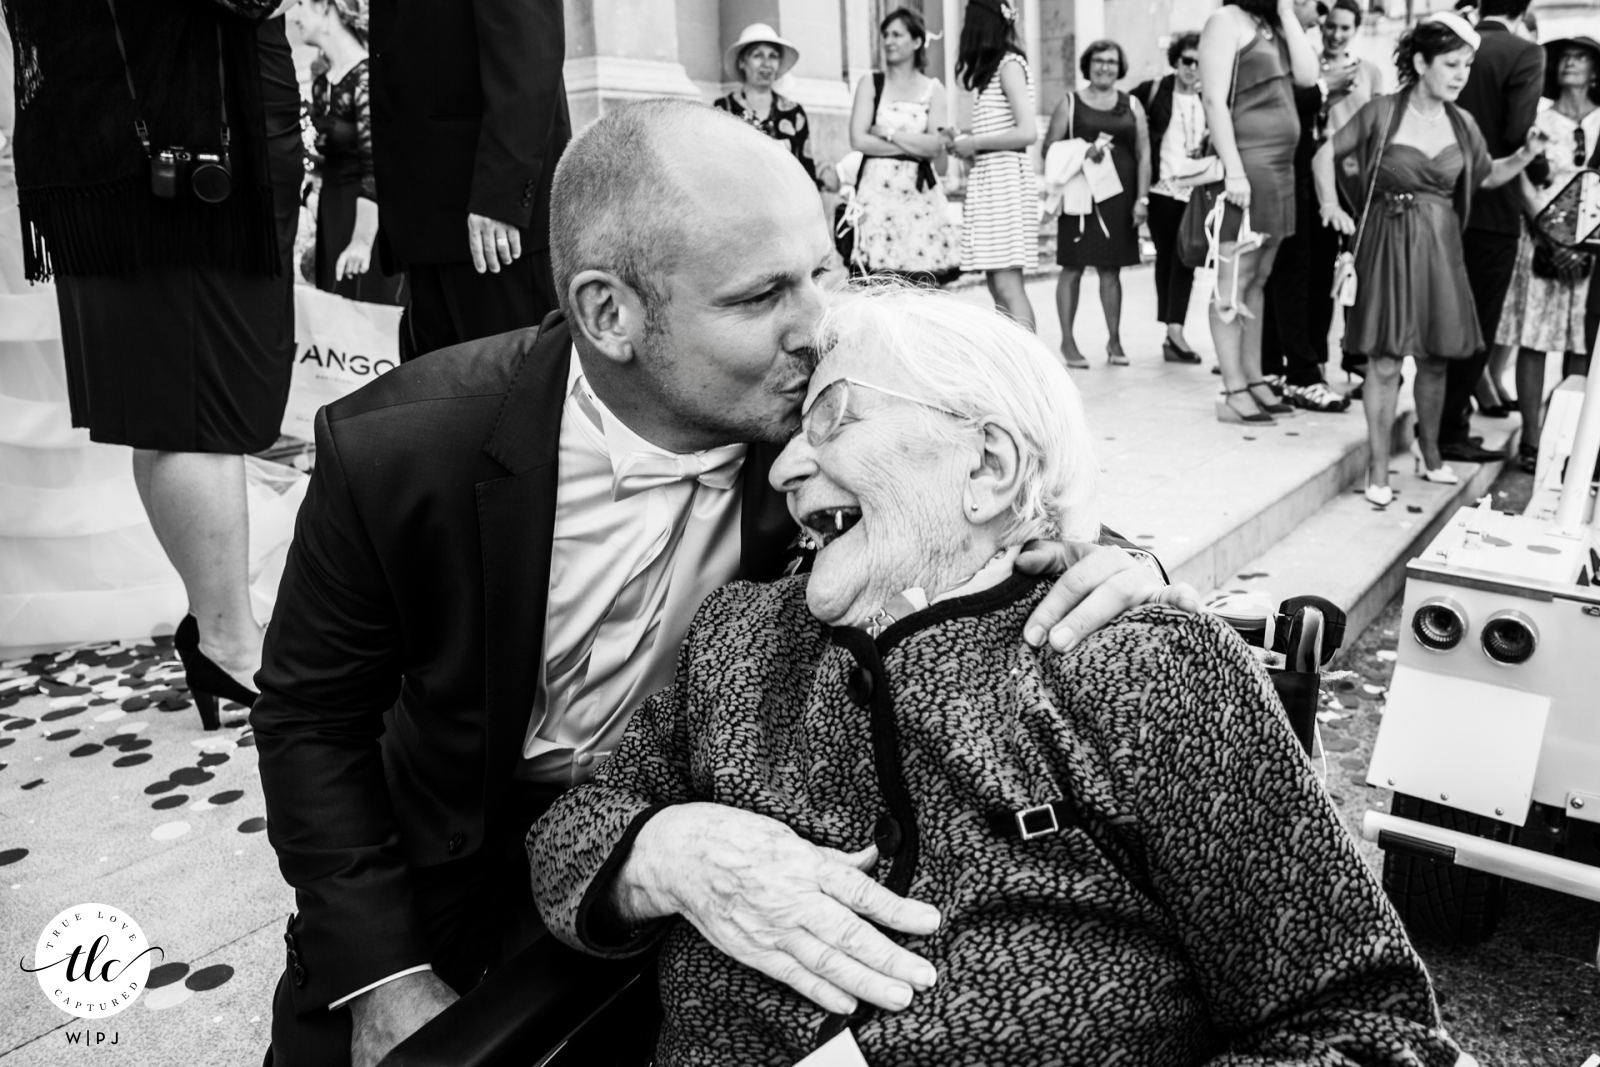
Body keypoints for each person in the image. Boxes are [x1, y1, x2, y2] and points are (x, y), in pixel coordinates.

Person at [253, 100, 1193, 1067]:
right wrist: (383, 976)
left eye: (822, 270)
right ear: (608, 313)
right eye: (760, 297)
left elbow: (987, 485)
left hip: (705, 846)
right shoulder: (398, 449)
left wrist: (1116, 558)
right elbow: (309, 720)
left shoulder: (814, 429)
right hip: (432, 869)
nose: (817, 325)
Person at [527, 284, 1465, 1067]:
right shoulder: (739, 638)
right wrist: (663, 851)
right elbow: (568, 839)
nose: (785, 469)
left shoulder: (1132, 661)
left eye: (833, 418)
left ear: (986, 464)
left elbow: (1362, 1021)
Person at [6, 0, 302, 723]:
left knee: (185, 398)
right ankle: (232, 647)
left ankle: (222, 633)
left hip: (161, 127)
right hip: (165, 142)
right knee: (186, 403)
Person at [1316, 14, 1545, 507]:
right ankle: (1377, 468)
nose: (1462, 74)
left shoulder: (1463, 122)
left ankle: (1430, 452)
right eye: (1452, 64)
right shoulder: (1383, 112)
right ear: (1421, 63)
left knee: (1436, 361)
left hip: (1441, 248)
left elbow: (1486, 175)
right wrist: (1332, 206)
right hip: (1387, 243)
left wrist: (1526, 155)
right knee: (1383, 362)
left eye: (1467, 65)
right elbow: (1323, 156)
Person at [370, 0, 571, 361]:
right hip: (426, 216)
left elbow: (530, 55)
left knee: (516, 394)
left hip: (490, 222)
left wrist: (501, 197)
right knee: (441, 406)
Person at [1198, 0, 1320, 424]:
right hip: (1247, 166)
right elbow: (1213, 99)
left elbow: (1308, 76)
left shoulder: (1272, 23)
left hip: (1281, 167)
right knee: (1234, 281)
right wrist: (1233, 170)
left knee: (1260, 278)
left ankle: (1252, 377)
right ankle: (1232, 388)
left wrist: (1287, 14)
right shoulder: (1224, 21)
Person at [1437, 0, 1544, 464]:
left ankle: (1437, 419)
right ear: (1525, 7)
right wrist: (1537, 164)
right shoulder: (1523, 53)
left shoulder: (1454, 44)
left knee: (1440, 318)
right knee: (1475, 322)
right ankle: (1449, 428)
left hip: (1441, 196)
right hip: (1493, 205)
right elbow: (1519, 127)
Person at [1495, 36, 1600, 472]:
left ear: (1596, 71)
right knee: (1533, 339)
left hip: (1593, 245)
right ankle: (1532, 440)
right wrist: (1548, 230)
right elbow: (1519, 175)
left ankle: (1575, 440)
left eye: (1580, 58)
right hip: (1540, 239)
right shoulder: (1539, 120)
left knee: (1583, 342)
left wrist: (1585, 239)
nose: (1569, 64)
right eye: (1565, 58)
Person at [1259, 0, 1357, 414]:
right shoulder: (1267, 43)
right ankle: (1295, 373)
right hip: (1277, 173)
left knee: (1289, 275)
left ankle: (1278, 370)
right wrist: (1323, 88)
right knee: (1282, 276)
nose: (1320, 19)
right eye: (1314, 8)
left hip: (1301, 175)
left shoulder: (1283, 43)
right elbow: (1273, 105)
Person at [290, 0, 402, 305]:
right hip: (331, 206)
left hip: (365, 212)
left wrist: (361, 241)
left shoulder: (367, 77)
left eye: (300, 4)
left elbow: (375, 168)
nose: (294, 15)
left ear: (327, 8)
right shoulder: (323, 81)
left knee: (366, 307)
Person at [1046, 40, 1149, 369]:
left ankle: (1115, 340)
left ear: (1121, 67)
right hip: (1081, 198)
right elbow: (1050, 147)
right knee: (1072, 267)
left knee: (1111, 269)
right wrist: (1082, 150)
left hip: (1119, 198)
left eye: (1112, 61)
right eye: (1099, 60)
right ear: (1087, 65)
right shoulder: (1070, 103)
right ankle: (1068, 342)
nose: (1105, 66)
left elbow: (1144, 154)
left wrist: (1142, 199)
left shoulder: (1132, 104)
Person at [847, 8, 961, 286]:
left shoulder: (934, 89)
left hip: (919, 199)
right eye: (885, 34)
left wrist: (887, 132)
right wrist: (916, 145)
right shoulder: (870, 83)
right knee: (877, 287)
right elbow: (859, 140)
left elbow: (935, 148)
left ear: (917, 41)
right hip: (877, 197)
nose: (888, 41)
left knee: (922, 286)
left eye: (897, 34)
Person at [949, 0, 1039, 329]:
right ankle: (1014, 363)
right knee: (996, 286)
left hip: (1005, 181)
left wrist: (974, 142)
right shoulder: (989, 74)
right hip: (991, 178)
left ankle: (1029, 370)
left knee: (1007, 285)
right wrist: (964, 142)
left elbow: (1027, 131)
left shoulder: (1010, 66)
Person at [1134, 32, 1208, 365]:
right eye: (1187, 61)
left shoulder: (1213, 94)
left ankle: (1173, 330)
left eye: (1199, 61)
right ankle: (1172, 330)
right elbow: (1121, 111)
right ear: (1176, 62)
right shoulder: (1155, 91)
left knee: (1185, 257)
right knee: (1168, 257)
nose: (1193, 68)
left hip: (1199, 188)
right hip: (1163, 188)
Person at [714, 23, 822, 190]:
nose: (766, 63)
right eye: (757, 55)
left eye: (773, 56)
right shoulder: (723, 109)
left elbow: (806, 168)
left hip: (788, 203)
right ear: (743, 62)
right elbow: (717, 165)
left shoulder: (794, 112)